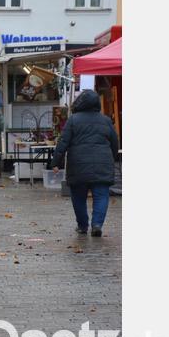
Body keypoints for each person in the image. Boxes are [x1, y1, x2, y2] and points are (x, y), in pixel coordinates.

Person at [51, 90, 120, 237]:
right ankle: (97, 224)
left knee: (78, 197)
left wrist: (56, 162)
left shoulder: (73, 120)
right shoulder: (106, 120)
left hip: (78, 165)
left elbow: (63, 142)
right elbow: (115, 142)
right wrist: (111, 158)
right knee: (101, 196)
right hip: (102, 164)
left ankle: (82, 226)